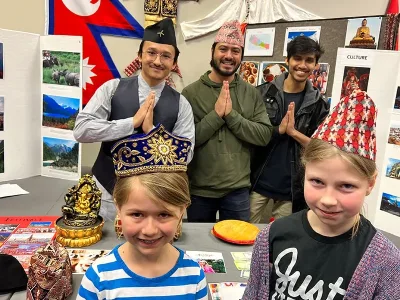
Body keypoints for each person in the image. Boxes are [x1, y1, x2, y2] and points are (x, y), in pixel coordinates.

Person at [242, 91, 400, 300]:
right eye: (317, 182)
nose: (327, 200)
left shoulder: (385, 261)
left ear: (370, 183)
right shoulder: (271, 237)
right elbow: (254, 293)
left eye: (346, 186)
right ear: (304, 172)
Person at [73, 18, 195, 222]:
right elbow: (81, 130)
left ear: (173, 63)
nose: (157, 61)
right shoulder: (112, 88)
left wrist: (152, 133)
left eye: (166, 56)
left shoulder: (181, 104)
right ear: (139, 55)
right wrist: (130, 123)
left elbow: (186, 155)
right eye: (151, 52)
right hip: (107, 196)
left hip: (158, 201)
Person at [77, 124, 208, 299]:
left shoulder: (194, 277)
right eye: (137, 214)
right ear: (118, 208)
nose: (149, 230)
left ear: (182, 211)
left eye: (164, 214)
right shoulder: (99, 279)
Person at [182, 20, 273, 223]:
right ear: (212, 51)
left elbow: (264, 136)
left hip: (237, 190)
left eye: (235, 51)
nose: (229, 56)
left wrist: (231, 116)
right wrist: (215, 116)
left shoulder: (250, 92)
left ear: (241, 56)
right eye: (223, 49)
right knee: (199, 248)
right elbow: (185, 141)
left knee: (237, 250)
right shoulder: (190, 93)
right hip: (199, 190)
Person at [250, 36, 329, 223]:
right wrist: (278, 130)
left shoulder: (319, 104)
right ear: (287, 60)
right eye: (297, 58)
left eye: (309, 60)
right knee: (244, 237)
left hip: (292, 189)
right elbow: (250, 135)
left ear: (316, 64)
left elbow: (323, 149)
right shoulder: (262, 93)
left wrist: (293, 132)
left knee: (280, 242)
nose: (302, 65)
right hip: (256, 183)